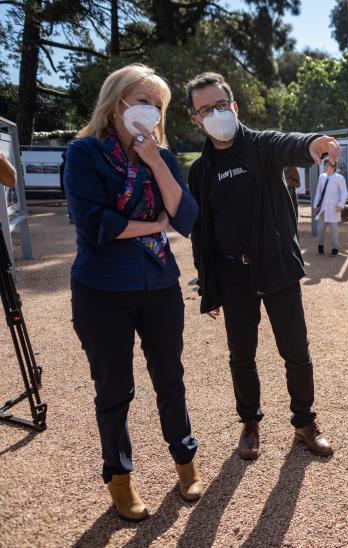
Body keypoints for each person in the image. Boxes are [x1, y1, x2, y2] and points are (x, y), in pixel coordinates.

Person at [64, 64, 203, 522]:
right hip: (102, 289)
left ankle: (185, 462)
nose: (150, 110)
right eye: (142, 99)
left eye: (157, 104)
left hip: (159, 284)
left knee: (170, 377)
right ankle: (119, 478)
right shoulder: (84, 152)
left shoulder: (160, 154)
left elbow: (185, 218)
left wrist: (157, 163)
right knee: (114, 387)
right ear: (117, 101)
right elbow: (94, 223)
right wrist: (153, 225)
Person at [185, 72, 339, 461]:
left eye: (221, 105)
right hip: (233, 275)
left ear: (234, 107)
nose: (215, 114)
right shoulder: (200, 171)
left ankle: (305, 422)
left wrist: (316, 144)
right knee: (242, 355)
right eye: (205, 110)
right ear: (195, 120)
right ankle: (250, 423)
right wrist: (208, 283)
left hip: (277, 268)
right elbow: (201, 231)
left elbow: (293, 143)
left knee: (296, 351)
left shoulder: (262, 146)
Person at [314, 158, 347, 256]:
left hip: (334, 208)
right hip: (323, 208)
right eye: (325, 165)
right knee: (320, 229)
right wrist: (317, 205)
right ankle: (320, 246)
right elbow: (319, 191)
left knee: (333, 230)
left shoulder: (339, 178)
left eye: (327, 165)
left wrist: (340, 205)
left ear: (333, 167)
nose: (325, 167)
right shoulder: (322, 177)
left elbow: (344, 193)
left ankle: (335, 248)